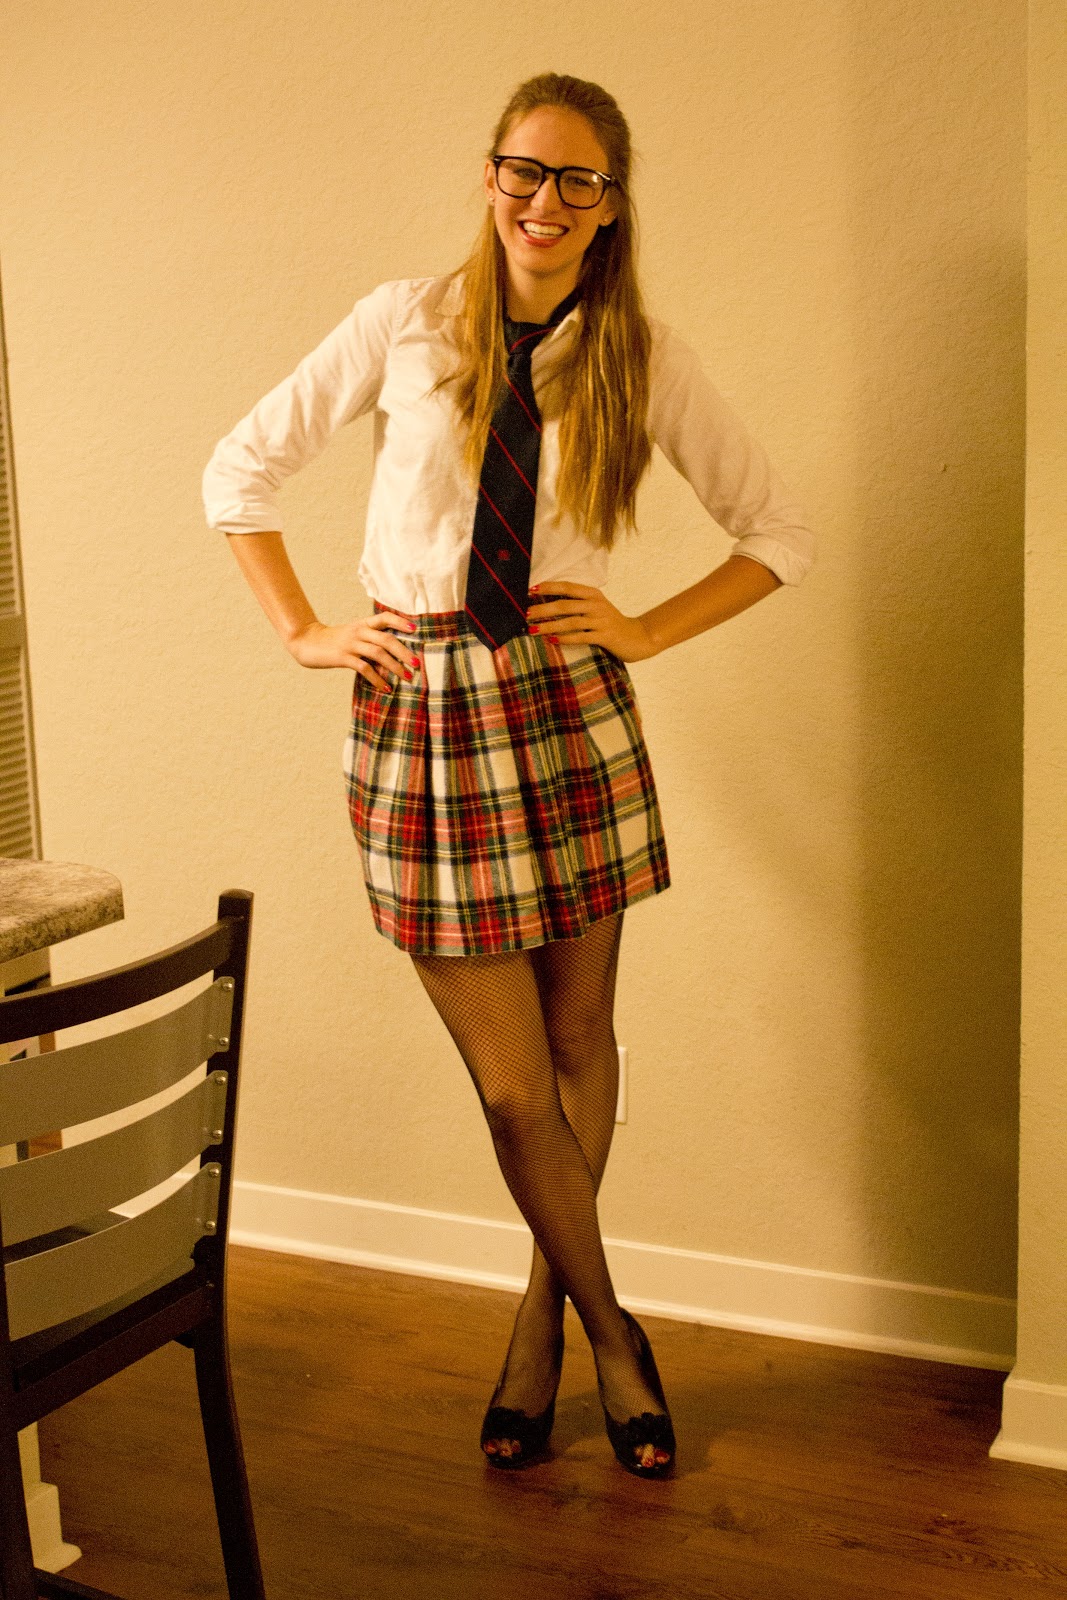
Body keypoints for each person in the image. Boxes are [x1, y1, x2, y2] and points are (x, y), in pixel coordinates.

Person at [203, 71, 814, 1480]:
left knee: (582, 1043)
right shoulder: (403, 323)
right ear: (491, 178)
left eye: (576, 180)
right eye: (523, 171)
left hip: (566, 709)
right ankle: (614, 1336)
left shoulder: (638, 356)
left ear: (611, 207)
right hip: (423, 717)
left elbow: (778, 532)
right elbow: (240, 469)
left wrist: (645, 629)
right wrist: (303, 629)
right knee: (513, 1088)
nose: (544, 200)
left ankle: (541, 1325)